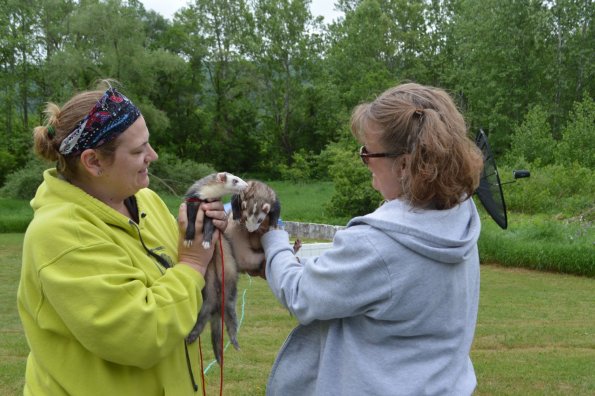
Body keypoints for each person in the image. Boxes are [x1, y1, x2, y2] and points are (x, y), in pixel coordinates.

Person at [260, 82, 484, 395]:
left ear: (405, 164)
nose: (364, 160)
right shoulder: (460, 215)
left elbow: (302, 294)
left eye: (368, 153)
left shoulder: (377, 244)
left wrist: (272, 238)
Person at [17, 81, 227, 395]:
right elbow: (143, 334)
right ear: (93, 162)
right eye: (139, 150)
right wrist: (194, 261)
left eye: (149, 144)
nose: (153, 156)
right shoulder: (61, 234)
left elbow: (185, 284)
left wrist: (206, 239)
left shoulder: (144, 200)